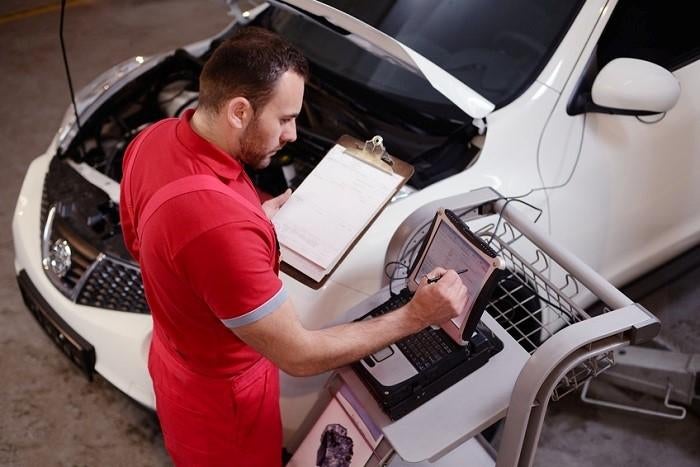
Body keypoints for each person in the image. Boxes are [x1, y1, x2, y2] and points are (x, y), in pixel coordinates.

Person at [119, 27, 468, 466]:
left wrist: (250, 221)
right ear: (239, 111)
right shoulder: (217, 227)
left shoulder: (154, 138)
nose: (293, 135)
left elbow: (143, 245)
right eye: (284, 119)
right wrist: (417, 316)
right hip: (226, 415)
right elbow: (299, 355)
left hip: (177, 368)